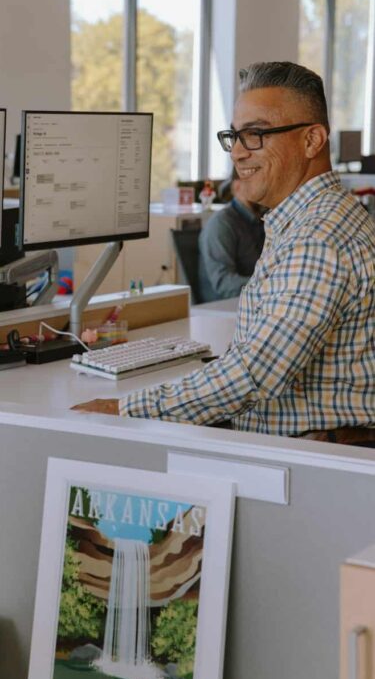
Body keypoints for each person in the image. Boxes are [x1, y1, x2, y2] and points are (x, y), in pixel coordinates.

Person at [72, 61, 375, 444]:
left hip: (305, 463)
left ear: (312, 140)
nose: (237, 154)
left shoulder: (318, 236)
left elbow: (255, 373)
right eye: (234, 137)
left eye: (256, 135)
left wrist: (126, 408)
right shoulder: (307, 219)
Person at [198, 168, 265, 302]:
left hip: (255, 302)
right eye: (255, 181)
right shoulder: (222, 224)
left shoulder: (263, 221)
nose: (263, 187)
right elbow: (223, 284)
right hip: (222, 309)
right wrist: (269, 285)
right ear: (237, 186)